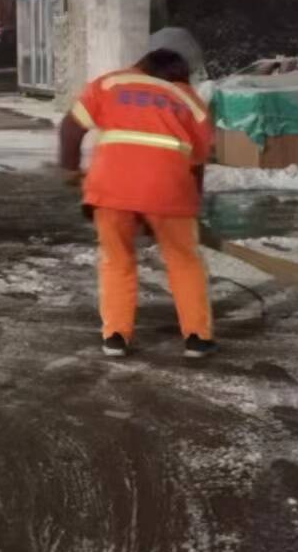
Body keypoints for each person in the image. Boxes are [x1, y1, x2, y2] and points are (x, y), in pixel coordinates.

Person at [58, 39, 216, 360]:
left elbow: (70, 130)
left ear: (141, 65)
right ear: (180, 76)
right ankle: (196, 338)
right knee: (184, 261)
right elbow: (197, 164)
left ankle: (115, 336)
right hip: (170, 191)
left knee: (117, 260)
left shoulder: (110, 83)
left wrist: (72, 170)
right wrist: (190, 205)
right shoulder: (190, 100)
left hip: (111, 189)